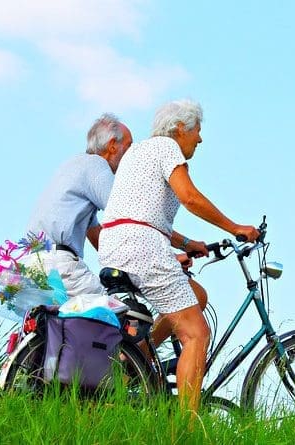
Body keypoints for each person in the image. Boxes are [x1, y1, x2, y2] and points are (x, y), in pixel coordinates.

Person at [98, 99, 259, 412]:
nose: (199, 138)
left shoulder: (138, 153)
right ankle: (185, 429)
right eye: (197, 130)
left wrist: (186, 243)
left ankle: (138, 361)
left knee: (195, 295)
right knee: (196, 333)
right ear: (181, 128)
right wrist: (235, 227)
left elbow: (140, 212)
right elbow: (190, 198)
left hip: (116, 244)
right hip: (141, 246)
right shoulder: (167, 147)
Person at [26, 113, 133, 298]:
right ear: (112, 145)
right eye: (129, 146)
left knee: (62, 323)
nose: (131, 154)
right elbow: (127, 214)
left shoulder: (73, 165)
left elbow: (97, 236)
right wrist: (164, 257)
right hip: (59, 264)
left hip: (33, 263)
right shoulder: (97, 165)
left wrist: (130, 264)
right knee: (117, 314)